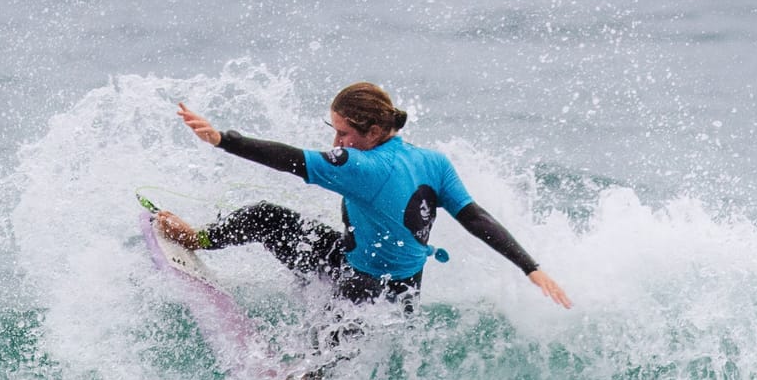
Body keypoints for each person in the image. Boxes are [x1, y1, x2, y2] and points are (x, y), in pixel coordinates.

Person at [154, 82, 572, 311]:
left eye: (344, 132)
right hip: (387, 281)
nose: (337, 140)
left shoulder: (363, 166)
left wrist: (223, 139)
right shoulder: (432, 161)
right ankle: (199, 240)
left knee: (335, 326)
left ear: (373, 132)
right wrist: (531, 268)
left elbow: (289, 159)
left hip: (372, 291)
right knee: (268, 217)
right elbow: (476, 217)